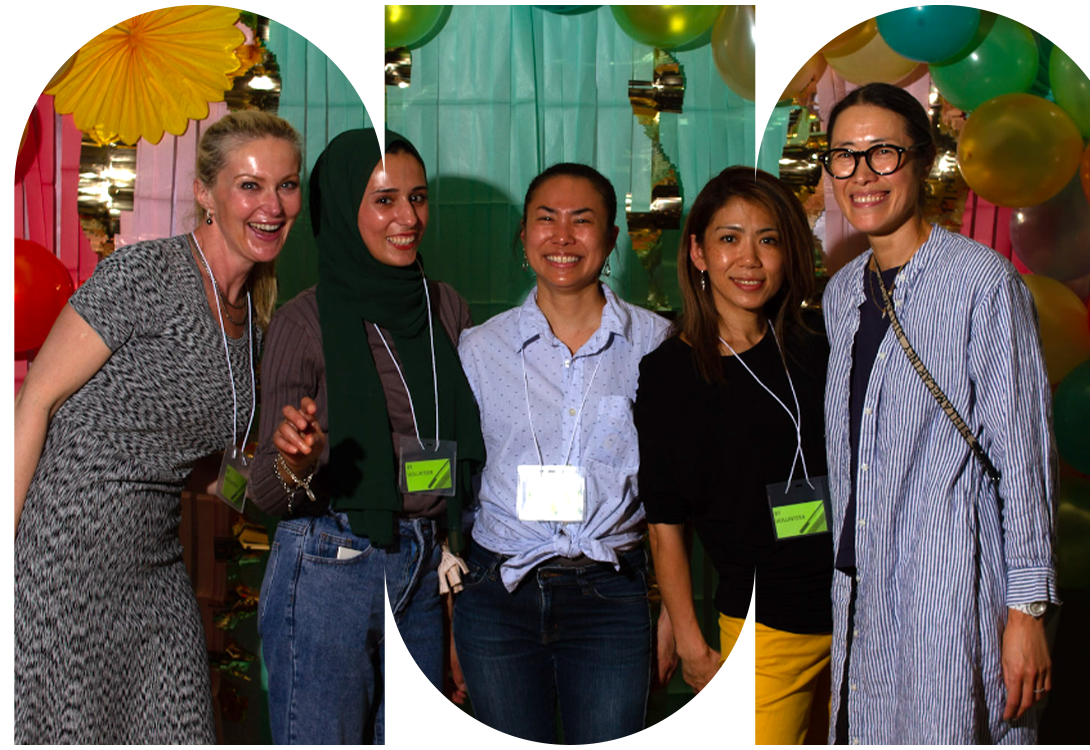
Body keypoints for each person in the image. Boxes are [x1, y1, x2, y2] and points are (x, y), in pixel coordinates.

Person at [13, 110, 303, 743]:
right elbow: (35, 401)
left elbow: (201, 470)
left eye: (286, 184)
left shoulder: (252, 324)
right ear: (204, 191)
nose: (272, 205)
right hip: (63, 552)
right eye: (249, 185)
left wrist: (273, 478)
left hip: (152, 566)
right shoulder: (147, 273)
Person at [820, 82, 1057, 744]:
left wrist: (1027, 611)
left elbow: (1023, 455)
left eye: (883, 154)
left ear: (922, 162)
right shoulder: (843, 294)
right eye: (844, 156)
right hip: (861, 590)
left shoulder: (981, 281)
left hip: (948, 587)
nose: (861, 175)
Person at [248, 128, 485, 745]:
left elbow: (470, 458)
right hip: (331, 562)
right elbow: (266, 497)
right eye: (384, 200)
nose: (408, 218)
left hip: (423, 564)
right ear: (344, 208)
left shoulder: (446, 309)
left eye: (418, 197)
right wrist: (295, 460)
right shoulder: (303, 323)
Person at [452, 163, 672, 744]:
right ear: (523, 237)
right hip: (498, 592)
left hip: (609, 593)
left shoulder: (655, 343)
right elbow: (456, 483)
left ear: (611, 239)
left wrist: (673, 613)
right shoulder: (479, 348)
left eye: (583, 221)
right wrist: (452, 614)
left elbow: (677, 488)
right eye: (546, 220)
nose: (563, 237)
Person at [635, 166, 833, 744]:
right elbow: (665, 522)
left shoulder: (818, 344)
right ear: (697, 252)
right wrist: (692, 643)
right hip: (762, 630)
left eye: (768, 240)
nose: (750, 258)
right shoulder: (671, 372)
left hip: (859, 617)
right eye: (729, 238)